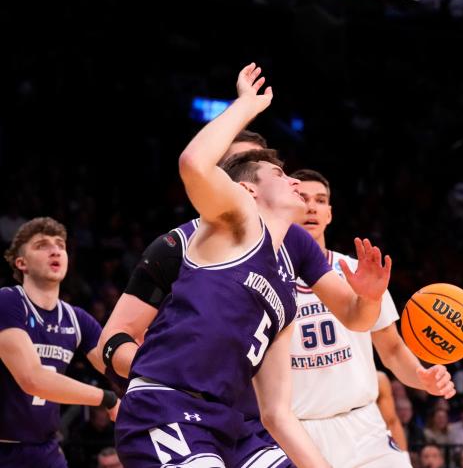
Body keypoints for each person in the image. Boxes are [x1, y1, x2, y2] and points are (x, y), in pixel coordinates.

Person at [114, 63, 390, 467]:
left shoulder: (284, 290)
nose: (295, 180)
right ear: (245, 190)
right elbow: (194, 163)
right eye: (280, 173)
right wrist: (246, 105)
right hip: (168, 407)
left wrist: (369, 297)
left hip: (232, 423)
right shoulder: (233, 223)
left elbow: (278, 413)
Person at [289, 168, 455, 467]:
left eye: (321, 200)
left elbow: (391, 350)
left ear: (329, 214)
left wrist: (422, 377)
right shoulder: (264, 278)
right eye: (302, 198)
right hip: (297, 431)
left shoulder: (359, 272)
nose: (311, 206)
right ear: (285, 207)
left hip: (363, 425)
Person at [0, 217, 119, 468]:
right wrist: (107, 398)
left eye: (60, 245)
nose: (55, 250)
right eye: (41, 245)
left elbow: (117, 367)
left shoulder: (76, 319)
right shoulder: (8, 302)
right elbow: (32, 379)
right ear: (21, 263)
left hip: (45, 450)